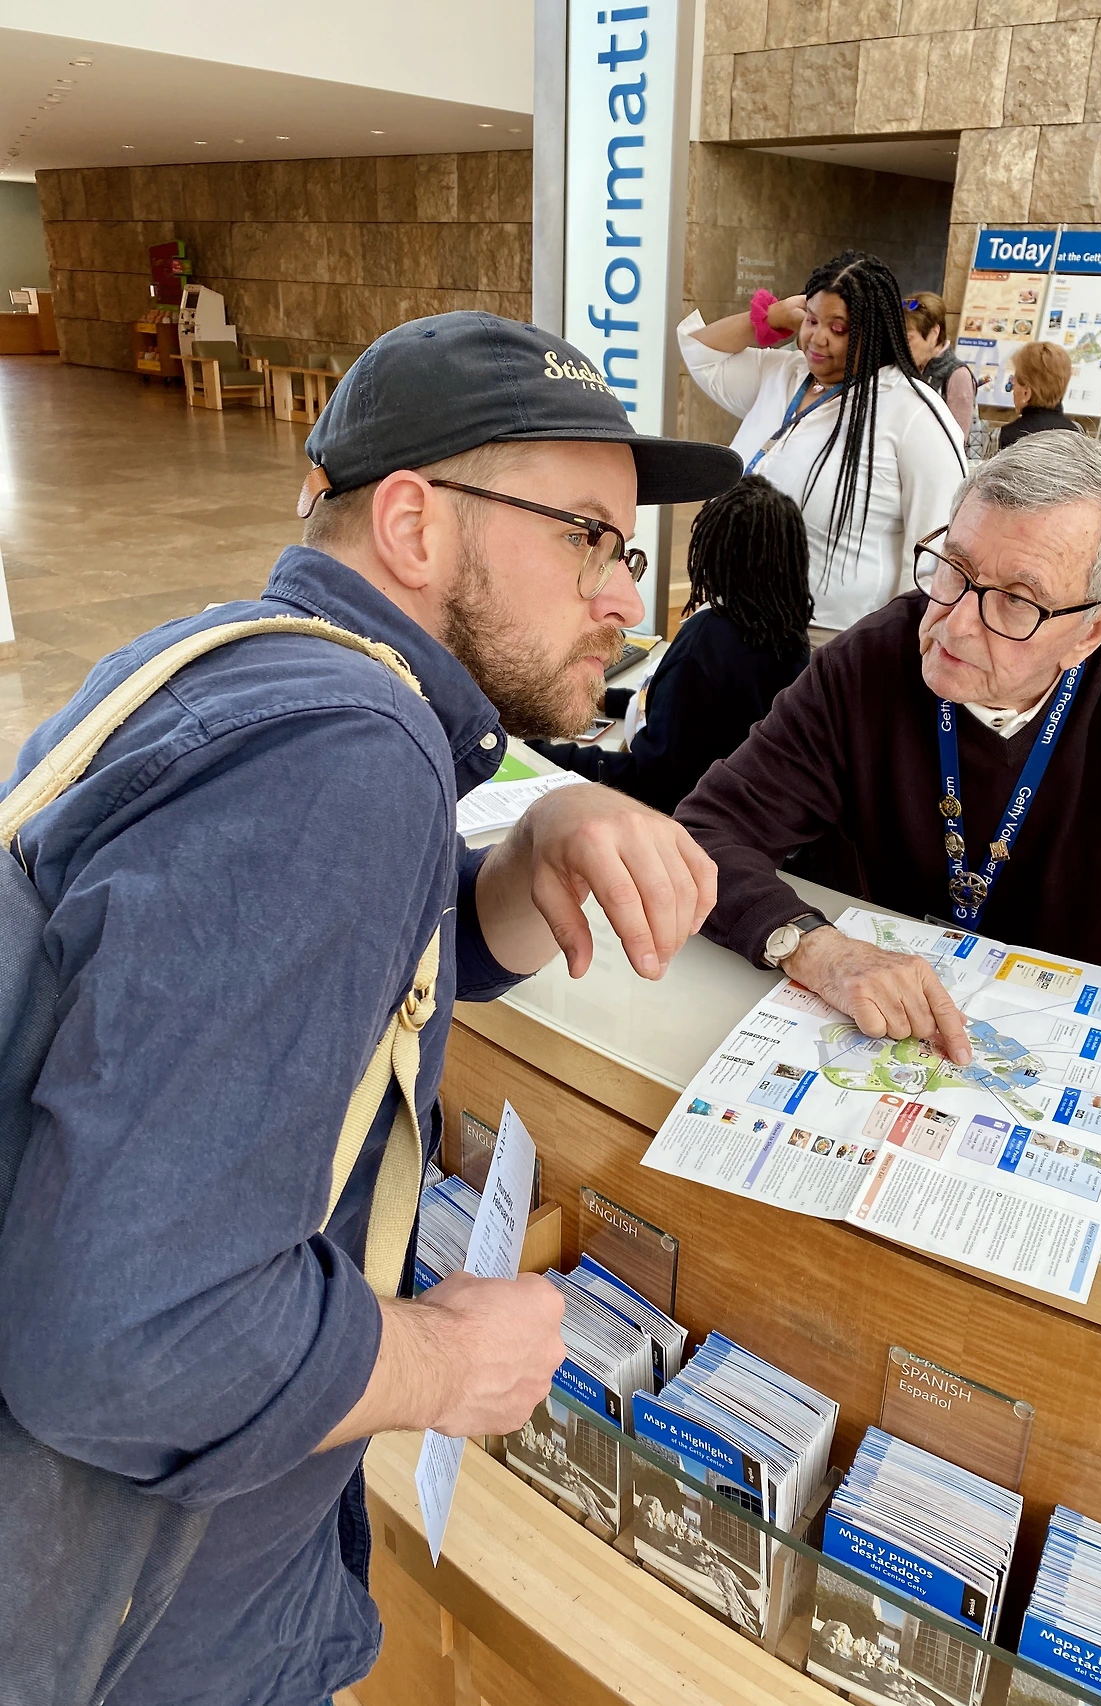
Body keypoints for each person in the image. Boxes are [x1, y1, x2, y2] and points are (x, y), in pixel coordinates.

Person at [0, 312, 739, 1706]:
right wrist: (444, 1361)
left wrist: (506, 874)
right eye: (588, 536)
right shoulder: (350, 755)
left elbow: (259, 978)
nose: (622, 600)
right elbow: (129, 1338)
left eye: (628, 551)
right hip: (150, 1638)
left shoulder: (228, 662)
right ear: (412, 522)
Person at [675, 432, 1101, 1058]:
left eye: (1017, 600)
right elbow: (704, 833)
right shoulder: (872, 661)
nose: (955, 624)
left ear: (1095, 628)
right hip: (922, 1032)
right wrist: (812, 945)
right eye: (955, 568)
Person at [678, 250, 967, 640]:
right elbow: (700, 354)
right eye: (812, 320)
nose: (818, 337)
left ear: (875, 331)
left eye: (839, 328)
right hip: (730, 610)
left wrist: (896, 646)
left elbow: (936, 550)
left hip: (827, 637)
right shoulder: (783, 373)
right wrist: (770, 317)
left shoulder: (913, 410)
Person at [526, 476, 811, 815]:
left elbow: (648, 779)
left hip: (681, 815)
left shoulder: (706, 642)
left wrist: (540, 754)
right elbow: (699, 713)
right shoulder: (786, 633)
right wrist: (609, 699)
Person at [902, 290, 980, 451]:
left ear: (934, 333)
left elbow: (957, 440)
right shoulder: (904, 368)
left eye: (909, 339)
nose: (902, 346)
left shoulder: (957, 374)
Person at [998, 342, 1083, 450]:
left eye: (1014, 384)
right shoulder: (1078, 433)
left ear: (1026, 393)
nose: (1013, 391)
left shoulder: (1002, 437)